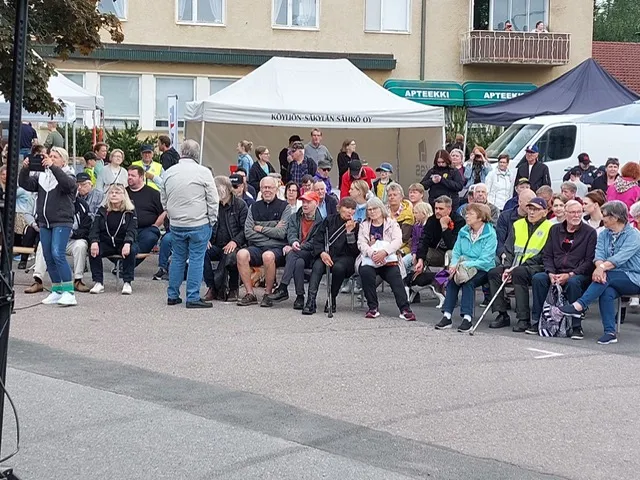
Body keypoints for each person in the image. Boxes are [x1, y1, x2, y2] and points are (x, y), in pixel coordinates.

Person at [560, 201, 640, 345]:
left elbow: (620, 258)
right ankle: (610, 332)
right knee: (606, 291)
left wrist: (602, 268)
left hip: (634, 276)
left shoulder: (634, 235)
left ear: (615, 217)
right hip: (609, 275)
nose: (602, 218)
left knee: (607, 278)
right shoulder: (604, 234)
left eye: (605, 215)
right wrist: (599, 267)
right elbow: (599, 254)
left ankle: (580, 306)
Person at [161, 139, 219, 308]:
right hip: (198, 222)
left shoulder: (169, 172)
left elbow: (163, 198)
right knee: (196, 259)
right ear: (197, 154)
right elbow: (213, 199)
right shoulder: (203, 172)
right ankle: (192, 297)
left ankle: (172, 295)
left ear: (181, 153)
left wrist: (171, 213)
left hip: (177, 223)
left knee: (177, 258)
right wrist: (212, 219)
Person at [18, 147, 78, 306]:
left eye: (55, 157)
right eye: (50, 156)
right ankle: (57, 290)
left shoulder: (69, 174)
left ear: (63, 160)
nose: (50, 158)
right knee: (48, 255)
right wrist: (25, 169)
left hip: (62, 220)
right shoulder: (42, 176)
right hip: (45, 222)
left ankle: (69, 292)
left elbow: (68, 186)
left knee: (58, 253)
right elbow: (24, 183)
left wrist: (52, 166)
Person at [530, 200, 596, 337]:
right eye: (572, 212)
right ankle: (537, 321)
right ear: (565, 213)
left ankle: (576, 326)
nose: (576, 215)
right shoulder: (555, 230)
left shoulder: (590, 232)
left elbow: (589, 261)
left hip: (578, 273)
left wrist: (571, 274)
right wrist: (550, 273)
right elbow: (547, 255)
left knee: (573, 283)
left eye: (579, 212)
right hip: (556, 272)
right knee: (538, 279)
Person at [487, 197, 552, 332]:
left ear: (545, 212)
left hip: (537, 266)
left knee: (519, 273)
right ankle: (502, 314)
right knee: (494, 273)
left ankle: (523, 318)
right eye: (530, 209)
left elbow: (545, 254)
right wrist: (507, 267)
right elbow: (509, 248)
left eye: (536, 209)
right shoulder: (518, 224)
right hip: (514, 265)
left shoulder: (550, 228)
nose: (532, 212)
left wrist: (515, 268)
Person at [436, 203, 497, 332]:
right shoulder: (463, 231)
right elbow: (456, 251)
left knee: (468, 282)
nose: (467, 216)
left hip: (483, 268)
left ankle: (467, 319)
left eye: (471, 214)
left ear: (480, 217)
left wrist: (465, 265)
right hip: (463, 265)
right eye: (466, 213)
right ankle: (447, 316)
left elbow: (486, 259)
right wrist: (453, 265)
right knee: (452, 279)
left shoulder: (490, 234)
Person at [357, 197, 416, 321]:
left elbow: (398, 241)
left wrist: (384, 252)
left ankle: (405, 309)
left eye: (375, 209)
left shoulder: (392, 223)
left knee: (395, 276)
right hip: (370, 258)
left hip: (388, 259)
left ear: (381, 209)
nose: (372, 212)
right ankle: (373, 307)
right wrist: (372, 254)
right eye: (369, 210)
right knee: (366, 272)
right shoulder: (364, 225)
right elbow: (361, 243)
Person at [236, 176, 292, 307]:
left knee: (267, 256)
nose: (267, 190)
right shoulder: (253, 207)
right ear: (260, 189)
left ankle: (268, 294)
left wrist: (260, 228)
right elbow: (248, 233)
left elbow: (281, 233)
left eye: (270, 187)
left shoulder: (285, 207)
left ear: (276, 189)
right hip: (257, 247)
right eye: (264, 187)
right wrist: (272, 230)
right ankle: (250, 294)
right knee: (241, 254)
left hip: (277, 249)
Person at [303, 197, 360, 315]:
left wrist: (349, 233)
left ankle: (331, 298)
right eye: (347, 208)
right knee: (318, 266)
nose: (349, 211)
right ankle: (311, 300)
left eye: (352, 209)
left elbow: (355, 251)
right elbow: (318, 239)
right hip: (327, 254)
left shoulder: (357, 226)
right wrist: (322, 253)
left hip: (345, 257)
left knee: (339, 268)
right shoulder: (329, 220)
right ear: (339, 208)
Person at [26, 195, 92, 294]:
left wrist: (73, 233)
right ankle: (38, 280)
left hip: (73, 239)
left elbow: (87, 228)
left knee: (81, 245)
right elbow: (42, 222)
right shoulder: (52, 202)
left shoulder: (82, 205)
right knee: (42, 244)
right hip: (55, 238)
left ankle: (78, 280)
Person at [269, 191, 323, 309]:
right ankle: (300, 296)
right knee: (298, 262)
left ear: (316, 203)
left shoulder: (321, 221)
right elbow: (291, 233)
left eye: (308, 202)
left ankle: (283, 287)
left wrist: (298, 246)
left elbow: (315, 242)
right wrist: (294, 242)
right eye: (303, 202)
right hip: (297, 252)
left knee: (292, 253)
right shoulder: (294, 217)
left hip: (311, 254)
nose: (305, 204)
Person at [203, 176, 247, 303]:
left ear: (226, 188)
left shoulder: (240, 205)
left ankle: (233, 288)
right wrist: (206, 238)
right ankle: (212, 287)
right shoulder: (212, 205)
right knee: (201, 252)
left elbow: (245, 229)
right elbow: (205, 223)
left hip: (235, 243)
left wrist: (235, 241)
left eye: (217, 188)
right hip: (215, 243)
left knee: (230, 255)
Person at [88, 184, 138, 295]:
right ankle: (98, 282)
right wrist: (94, 241)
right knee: (93, 250)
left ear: (124, 196)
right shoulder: (102, 210)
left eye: (117, 193)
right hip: (107, 242)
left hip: (123, 242)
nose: (113, 195)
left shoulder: (130, 211)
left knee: (131, 250)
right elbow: (94, 228)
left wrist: (127, 242)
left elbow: (132, 229)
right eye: (111, 193)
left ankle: (127, 282)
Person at [415, 195, 465, 273]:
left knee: (449, 254)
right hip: (438, 252)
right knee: (420, 253)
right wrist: (420, 259)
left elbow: (453, 245)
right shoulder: (432, 220)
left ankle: (446, 278)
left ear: (449, 209)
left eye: (441, 209)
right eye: (436, 208)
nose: (437, 211)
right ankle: (425, 276)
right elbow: (424, 239)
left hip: (454, 254)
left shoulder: (459, 221)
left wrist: (444, 227)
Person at [126, 166, 165, 264]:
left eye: (133, 175)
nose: (129, 177)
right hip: (126, 228)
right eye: (128, 175)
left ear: (141, 177)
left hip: (147, 229)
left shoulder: (154, 194)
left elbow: (164, 211)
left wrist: (156, 225)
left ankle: (127, 264)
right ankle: (125, 264)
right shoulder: (123, 193)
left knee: (150, 238)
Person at [496, 189, 536, 257]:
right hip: (506, 254)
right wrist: (503, 254)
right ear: (519, 202)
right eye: (529, 202)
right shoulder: (505, 216)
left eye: (534, 203)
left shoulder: (536, 219)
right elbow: (499, 240)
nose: (531, 205)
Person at [386, 183, 414, 256]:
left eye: (395, 195)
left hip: (403, 247)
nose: (392, 197)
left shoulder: (408, 215)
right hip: (384, 246)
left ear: (401, 197)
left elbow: (404, 238)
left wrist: (389, 250)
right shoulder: (382, 212)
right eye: (389, 195)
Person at [404, 201, 432, 274]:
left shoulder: (431, 226)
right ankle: (405, 280)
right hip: (416, 251)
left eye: (416, 213)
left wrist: (418, 255)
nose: (414, 215)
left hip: (427, 252)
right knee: (403, 262)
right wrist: (414, 253)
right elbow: (414, 242)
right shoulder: (416, 226)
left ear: (423, 214)